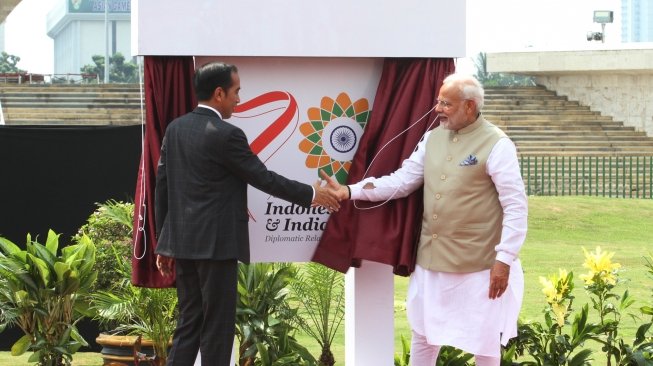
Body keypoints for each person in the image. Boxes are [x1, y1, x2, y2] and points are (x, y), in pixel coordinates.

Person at [322, 73, 527, 366]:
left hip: (480, 266)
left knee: (484, 342)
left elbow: (516, 207)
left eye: (447, 104)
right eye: (438, 101)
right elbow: (402, 181)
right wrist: (350, 190)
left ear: (470, 107)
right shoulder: (431, 138)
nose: (438, 109)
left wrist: (504, 260)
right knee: (424, 336)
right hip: (432, 262)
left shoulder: (497, 144)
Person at [154, 61, 339, 366]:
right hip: (217, 246)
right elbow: (262, 178)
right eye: (236, 91)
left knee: (189, 323)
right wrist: (311, 194)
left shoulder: (175, 129)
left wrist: (164, 241)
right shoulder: (226, 135)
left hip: (182, 244)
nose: (239, 99)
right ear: (218, 93)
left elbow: (162, 186)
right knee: (217, 328)